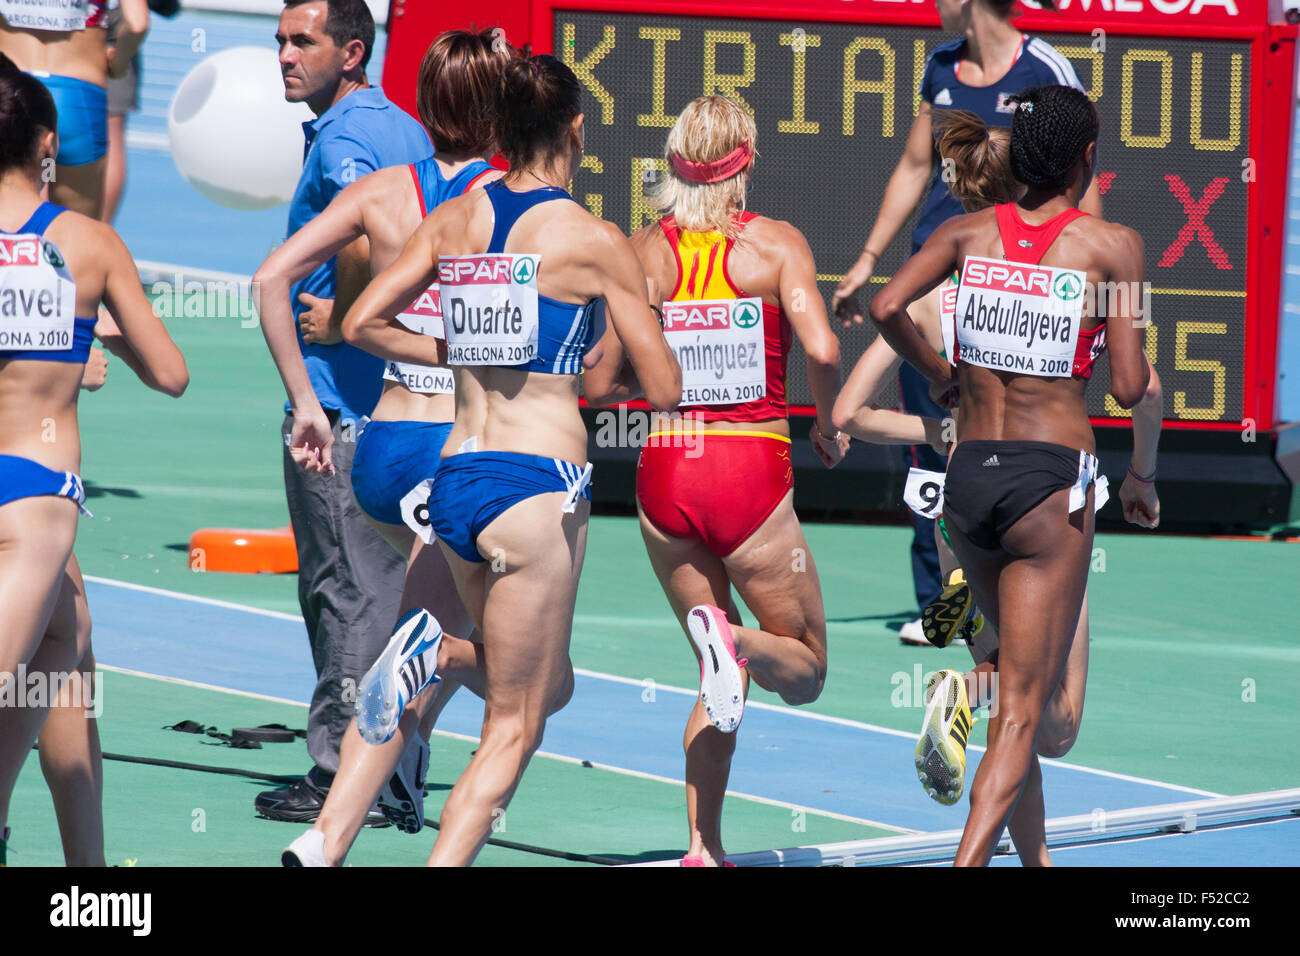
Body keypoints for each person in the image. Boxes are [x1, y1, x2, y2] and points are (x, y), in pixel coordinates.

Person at [342, 53, 681, 866]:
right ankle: (434, 663)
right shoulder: (596, 240)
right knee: (516, 724)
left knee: (542, 685)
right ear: (576, 131)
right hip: (537, 484)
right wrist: (642, 318)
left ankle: (439, 654)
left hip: (454, 476)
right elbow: (663, 389)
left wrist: (451, 342)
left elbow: (359, 321)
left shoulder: (458, 217)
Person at [834, 109, 1162, 864]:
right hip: (1050, 486)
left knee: (1013, 691)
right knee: (1036, 719)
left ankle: (1031, 851)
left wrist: (942, 376)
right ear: (1085, 159)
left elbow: (885, 308)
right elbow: (1124, 384)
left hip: (968, 487)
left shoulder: (963, 235)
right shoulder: (1114, 247)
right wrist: (1143, 467)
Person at [254, 27, 511, 866]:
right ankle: (411, 717)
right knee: (524, 675)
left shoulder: (386, 191)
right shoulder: (509, 203)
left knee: (419, 614)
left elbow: (269, 280)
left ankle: (379, 781)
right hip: (463, 452)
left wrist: (306, 404)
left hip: (383, 451)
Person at [596, 94, 848, 866]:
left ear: (673, 165)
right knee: (803, 669)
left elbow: (603, 381)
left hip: (664, 473)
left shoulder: (642, 252)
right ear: (745, 163)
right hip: (749, 471)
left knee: (716, 682)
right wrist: (827, 421)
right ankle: (733, 640)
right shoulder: (774, 246)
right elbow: (825, 349)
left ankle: (703, 849)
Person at [830, 0, 1100, 645]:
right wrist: (870, 259)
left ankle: (989, 608)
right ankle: (947, 605)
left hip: (1010, 275)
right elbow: (914, 166)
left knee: (989, 434)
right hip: (942, 272)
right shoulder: (941, 66)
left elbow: (1081, 179)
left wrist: (1084, 256)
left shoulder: (1045, 66)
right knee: (941, 452)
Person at [0, 55, 187, 866]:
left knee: (66, 659)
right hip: (35, 500)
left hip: (33, 514)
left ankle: (90, 882)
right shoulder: (87, 243)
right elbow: (173, 374)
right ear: (48, 143)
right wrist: (89, 337)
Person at [252, 0, 433, 825]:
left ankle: (337, 775)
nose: (285, 55)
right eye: (281, 40)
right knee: (393, 594)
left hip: (341, 403)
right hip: (405, 402)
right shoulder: (406, 129)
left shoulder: (346, 139)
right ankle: (396, 770)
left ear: (352, 50)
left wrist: (348, 312)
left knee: (343, 591)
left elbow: (369, 237)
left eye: (303, 42)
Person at [0, 0, 148, 219]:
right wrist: (118, 62)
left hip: (13, 90)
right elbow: (137, 24)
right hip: (77, 96)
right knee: (76, 232)